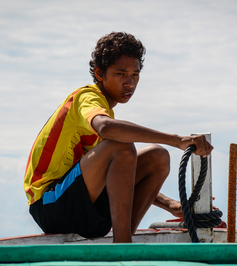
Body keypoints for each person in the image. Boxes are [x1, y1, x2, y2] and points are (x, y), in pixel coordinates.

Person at [24, 32, 213, 243]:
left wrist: (172, 205)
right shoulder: (86, 97)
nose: (130, 83)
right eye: (121, 73)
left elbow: (119, 175)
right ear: (99, 74)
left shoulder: (105, 109)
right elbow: (105, 127)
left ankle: (124, 235)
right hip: (50, 205)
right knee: (120, 145)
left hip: (85, 208)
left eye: (135, 75)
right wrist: (177, 140)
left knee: (157, 156)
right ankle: (123, 246)